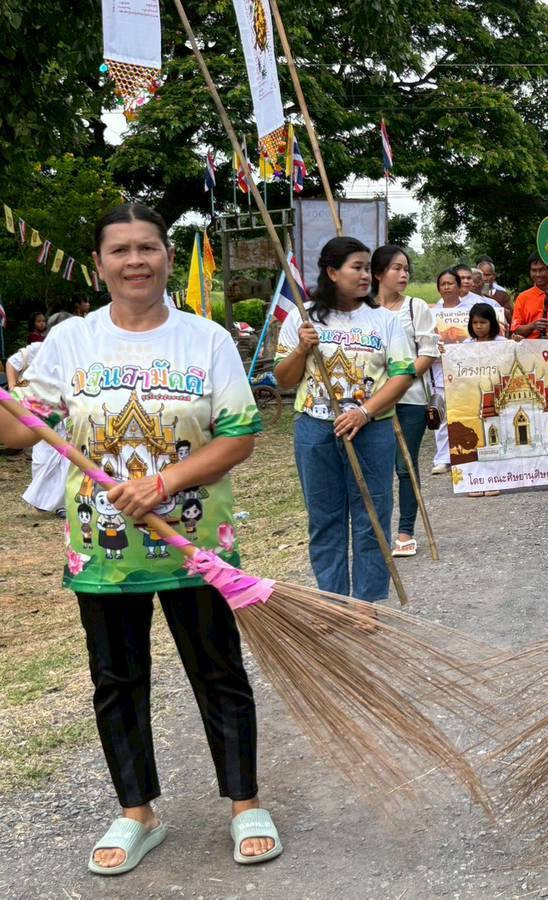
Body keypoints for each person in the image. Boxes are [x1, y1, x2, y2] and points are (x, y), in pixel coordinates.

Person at [0, 202, 280, 875]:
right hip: (103, 552)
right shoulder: (68, 345)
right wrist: (13, 406)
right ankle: (137, 813)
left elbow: (240, 434)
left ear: (164, 256)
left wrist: (164, 482)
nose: (135, 261)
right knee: (116, 679)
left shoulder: (205, 340)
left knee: (218, 672)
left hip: (196, 542)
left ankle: (245, 803)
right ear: (99, 264)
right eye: (120, 249)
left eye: (147, 247)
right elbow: (18, 436)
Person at [274, 236, 415, 612]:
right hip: (316, 428)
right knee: (324, 517)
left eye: (368, 267)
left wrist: (364, 412)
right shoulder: (302, 319)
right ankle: (332, 600)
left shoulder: (384, 321)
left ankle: (366, 601)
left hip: (372, 428)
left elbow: (402, 376)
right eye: (357, 267)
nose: (366, 275)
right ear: (332, 272)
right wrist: (303, 349)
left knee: (372, 512)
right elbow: (284, 380)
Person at [371, 244, 439, 558]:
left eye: (406, 268)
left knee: (405, 465)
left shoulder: (416, 307)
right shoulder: (363, 310)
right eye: (396, 268)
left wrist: (401, 380)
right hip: (370, 401)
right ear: (377, 273)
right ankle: (376, 529)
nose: (403, 274)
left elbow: (428, 352)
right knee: (375, 466)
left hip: (409, 398)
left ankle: (405, 531)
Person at [7, 316, 69, 515]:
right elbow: (12, 362)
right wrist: (13, 387)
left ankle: (62, 504)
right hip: (38, 410)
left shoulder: (75, 354)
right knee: (43, 457)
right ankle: (41, 499)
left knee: (65, 458)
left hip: (63, 412)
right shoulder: (37, 349)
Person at [463, 302, 506, 499]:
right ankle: (476, 479)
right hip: (473, 398)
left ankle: (495, 478)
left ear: (492, 323)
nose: (478, 326)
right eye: (475, 323)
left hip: (496, 397)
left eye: (483, 322)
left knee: (496, 439)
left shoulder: (502, 343)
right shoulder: (465, 346)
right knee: (477, 439)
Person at [428, 268, 466, 473]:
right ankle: (443, 458)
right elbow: (424, 341)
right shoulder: (431, 314)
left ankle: (466, 453)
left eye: (451, 283)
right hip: (440, 370)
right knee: (441, 416)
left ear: (459, 287)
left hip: (466, 370)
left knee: (466, 412)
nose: (447, 287)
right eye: (443, 284)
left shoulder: (471, 310)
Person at [454, 263, 506, 330]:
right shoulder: (443, 302)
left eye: (468, 278)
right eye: (462, 278)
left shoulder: (482, 303)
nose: (466, 281)